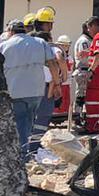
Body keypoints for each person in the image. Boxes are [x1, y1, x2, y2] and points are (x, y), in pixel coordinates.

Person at [0, 24, 55, 161]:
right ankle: (24, 151)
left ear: (11, 32)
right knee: (28, 121)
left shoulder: (4, 46)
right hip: (36, 91)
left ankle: (22, 154)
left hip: (15, 90)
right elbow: (52, 63)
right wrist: (57, 83)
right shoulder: (40, 42)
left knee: (19, 122)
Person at [28, 9, 66, 155]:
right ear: (48, 25)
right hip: (44, 87)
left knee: (28, 116)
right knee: (43, 116)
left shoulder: (28, 41)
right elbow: (58, 60)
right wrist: (60, 81)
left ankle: (26, 145)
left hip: (27, 85)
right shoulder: (48, 44)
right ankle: (33, 147)